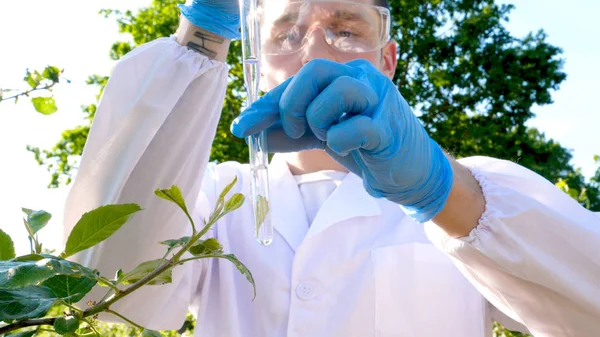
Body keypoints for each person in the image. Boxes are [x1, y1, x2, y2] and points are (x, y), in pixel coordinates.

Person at [63, 0, 600, 336]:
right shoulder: (214, 194)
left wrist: (440, 192)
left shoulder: (473, 191)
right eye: (284, 36)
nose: (314, 51)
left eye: (346, 31)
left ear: (386, 60)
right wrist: (201, 37)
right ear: (254, 60)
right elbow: (106, 292)